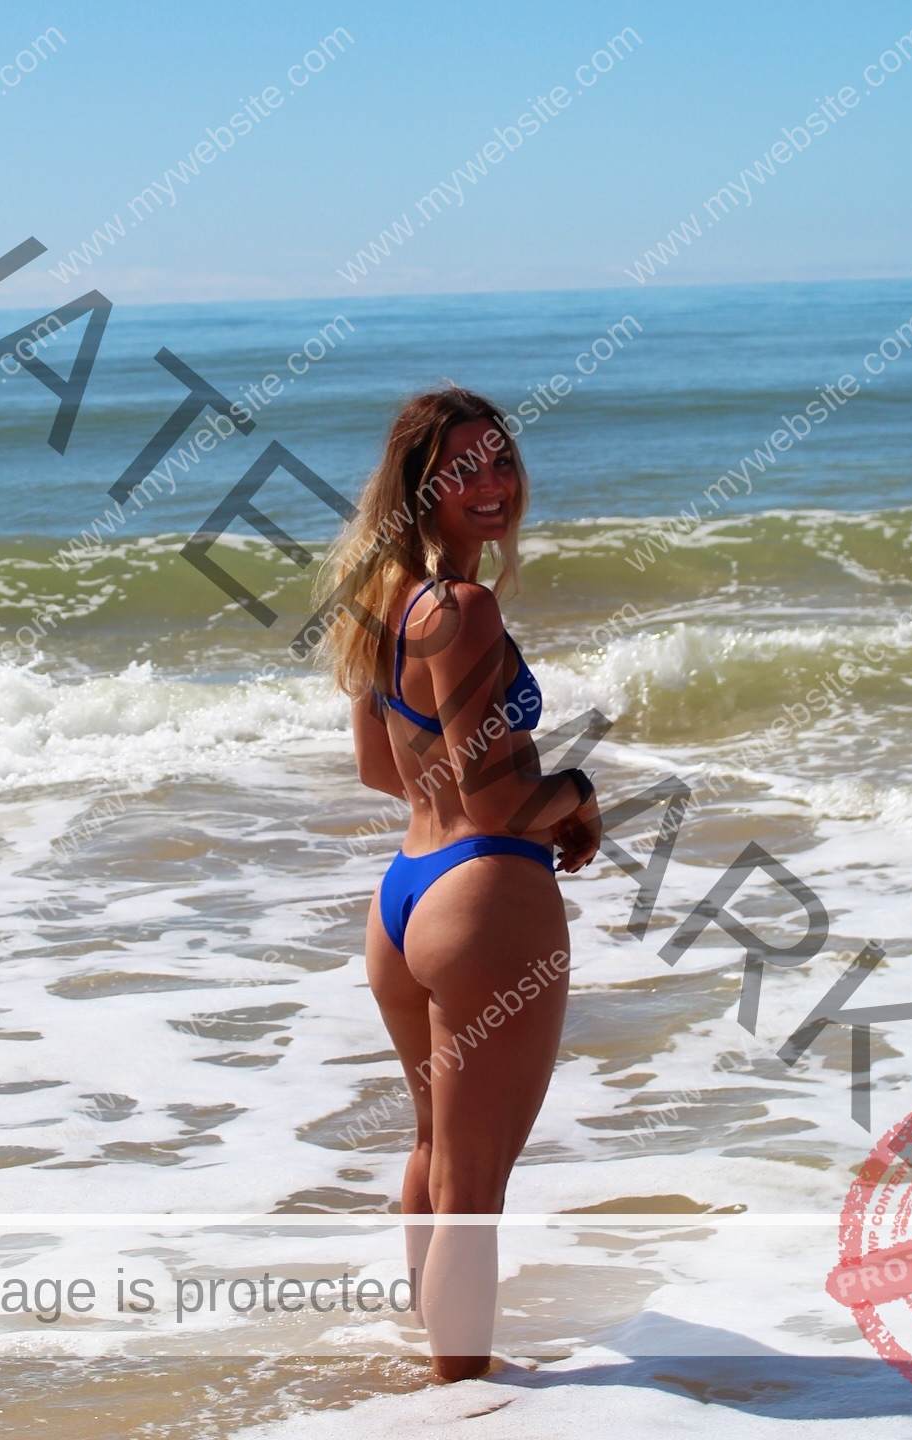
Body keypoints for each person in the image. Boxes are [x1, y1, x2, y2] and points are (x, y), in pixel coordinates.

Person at [315, 386, 601, 1380]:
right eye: (461, 471)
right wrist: (575, 793)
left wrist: (496, 798)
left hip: (405, 900)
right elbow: (494, 802)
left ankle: (434, 1378)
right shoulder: (463, 607)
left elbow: (379, 768)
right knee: (473, 1184)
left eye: (503, 461)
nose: (492, 485)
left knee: (437, 1157)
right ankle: (463, 1398)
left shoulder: (384, 602)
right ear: (419, 492)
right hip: (483, 898)